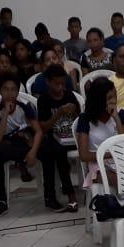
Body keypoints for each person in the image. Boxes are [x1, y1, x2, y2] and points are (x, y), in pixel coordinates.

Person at [0, 72, 42, 219]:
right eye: (5, 89)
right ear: (0, 91)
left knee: (48, 148)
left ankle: (50, 196)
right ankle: (1, 201)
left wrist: (33, 152)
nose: (9, 93)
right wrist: (5, 113)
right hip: (8, 144)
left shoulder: (25, 106)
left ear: (18, 92)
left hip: (27, 142)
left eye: (13, 89)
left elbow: (38, 132)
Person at [35, 65, 81, 213]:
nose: (61, 87)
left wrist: (74, 113)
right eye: (57, 84)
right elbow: (44, 128)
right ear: (48, 82)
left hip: (72, 136)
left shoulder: (69, 95)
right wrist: (58, 113)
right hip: (54, 137)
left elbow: (80, 120)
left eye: (63, 83)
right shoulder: (44, 99)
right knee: (58, 153)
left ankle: (87, 188)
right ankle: (70, 194)